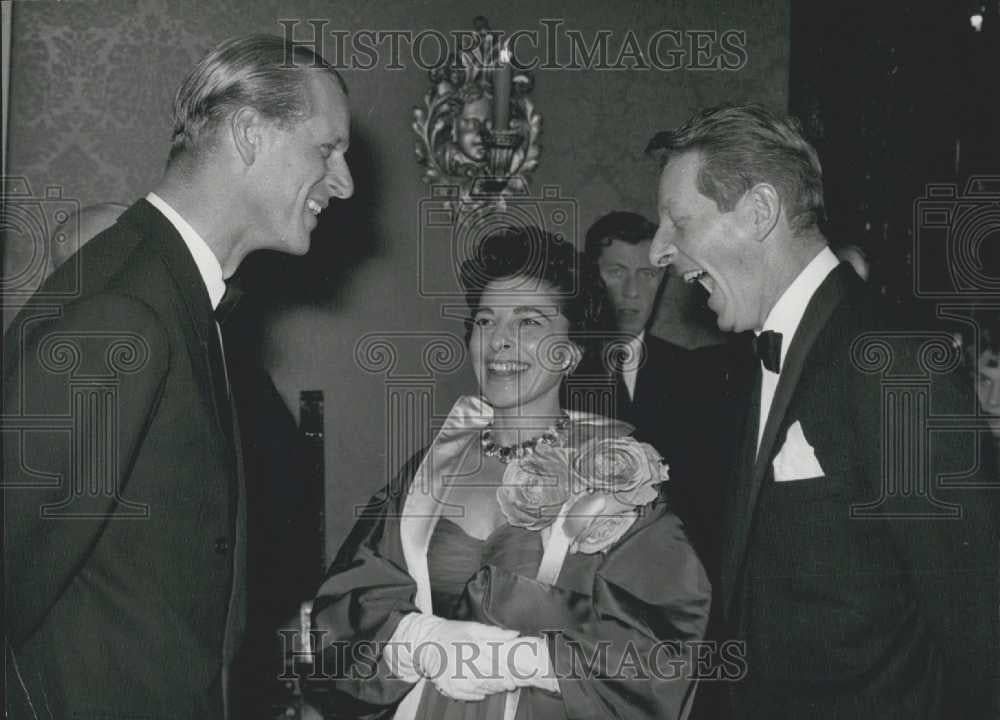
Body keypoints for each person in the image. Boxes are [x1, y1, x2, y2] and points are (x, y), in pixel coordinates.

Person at [3, 34, 353, 718]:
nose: (344, 183)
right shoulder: (124, 314)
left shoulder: (174, 292)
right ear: (251, 135)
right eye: (327, 150)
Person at [647, 103, 998, 718]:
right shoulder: (750, 362)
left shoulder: (890, 361)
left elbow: (980, 621)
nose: (659, 251)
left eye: (678, 222)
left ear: (758, 213)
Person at [307, 227, 710, 720]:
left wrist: (523, 660)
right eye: (486, 320)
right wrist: (421, 639)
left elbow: (665, 650)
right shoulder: (430, 470)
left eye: (529, 322)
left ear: (573, 348)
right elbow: (345, 607)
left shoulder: (620, 475)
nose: (499, 341)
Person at [577, 210, 750, 589]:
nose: (633, 292)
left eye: (648, 274)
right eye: (616, 272)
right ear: (590, 277)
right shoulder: (559, 374)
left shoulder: (701, 379)